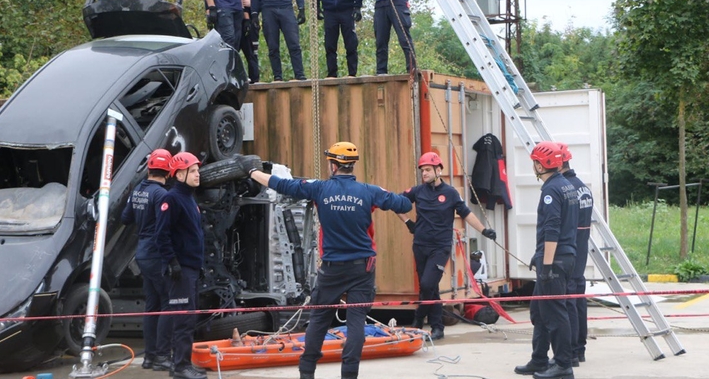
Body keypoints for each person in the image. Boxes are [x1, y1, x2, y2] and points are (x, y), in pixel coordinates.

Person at [247, 142, 412, 379]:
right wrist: (388, 194)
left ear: (333, 165)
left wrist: (252, 172)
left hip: (332, 269)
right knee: (356, 322)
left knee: (319, 320)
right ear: (352, 165)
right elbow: (404, 204)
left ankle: (307, 372)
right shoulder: (369, 191)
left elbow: (282, 185)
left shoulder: (319, 189)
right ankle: (349, 375)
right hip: (362, 268)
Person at [396, 151, 497, 339]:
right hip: (420, 246)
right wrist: (408, 223)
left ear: (438, 170)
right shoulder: (418, 191)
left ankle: (422, 318)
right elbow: (396, 203)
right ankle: (436, 327)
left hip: (440, 248)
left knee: (428, 283)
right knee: (429, 287)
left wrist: (484, 230)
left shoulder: (450, 193)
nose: (424, 173)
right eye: (422, 170)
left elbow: (466, 214)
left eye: (427, 170)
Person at [515, 141, 578, 379]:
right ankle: (539, 359)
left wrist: (547, 266)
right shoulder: (565, 185)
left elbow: (552, 230)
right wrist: (540, 255)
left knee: (554, 313)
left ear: (541, 165)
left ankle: (563, 365)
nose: (533, 166)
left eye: (534, 162)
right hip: (559, 256)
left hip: (556, 260)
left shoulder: (551, 191)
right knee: (539, 312)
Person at [120, 149, 174, 371]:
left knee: (152, 305)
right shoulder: (162, 195)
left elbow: (125, 218)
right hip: (156, 254)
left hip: (142, 253)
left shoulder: (138, 191)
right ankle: (162, 356)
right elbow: (164, 230)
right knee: (168, 304)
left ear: (150, 167)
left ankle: (150, 357)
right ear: (169, 172)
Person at [154, 151, 206, 379]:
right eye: (193, 171)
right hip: (180, 271)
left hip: (191, 269)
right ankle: (179, 366)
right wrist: (172, 262)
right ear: (180, 174)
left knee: (190, 317)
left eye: (197, 170)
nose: (198, 175)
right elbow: (161, 235)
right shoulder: (171, 199)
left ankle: (183, 362)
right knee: (182, 319)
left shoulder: (190, 199)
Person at [557, 142, 593, 365]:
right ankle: (579, 349)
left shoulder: (565, 189)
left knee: (568, 301)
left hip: (569, 252)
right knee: (578, 299)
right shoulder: (583, 187)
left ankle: (570, 352)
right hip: (581, 252)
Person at [240, 0, 261, 83]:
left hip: (253, 23)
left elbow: (265, 2)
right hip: (239, 22)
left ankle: (255, 80)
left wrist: (252, 4)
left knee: (252, 54)